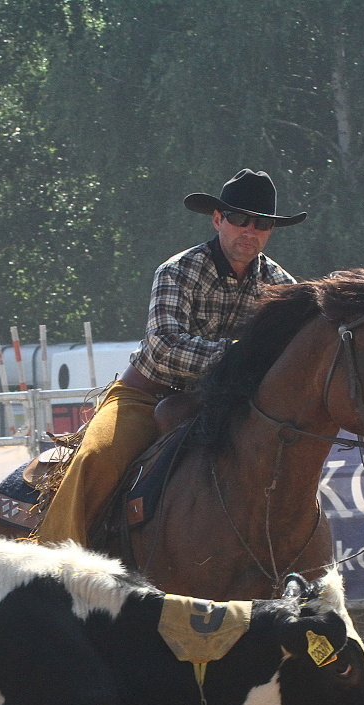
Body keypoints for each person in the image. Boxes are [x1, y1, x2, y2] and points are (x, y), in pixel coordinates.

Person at [34, 169, 305, 547]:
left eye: (261, 223)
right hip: (147, 396)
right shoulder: (178, 270)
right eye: (240, 218)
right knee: (97, 459)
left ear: (270, 230)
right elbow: (163, 348)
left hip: (233, 405)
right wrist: (240, 357)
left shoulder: (281, 287)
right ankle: (54, 561)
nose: (250, 230)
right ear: (218, 219)